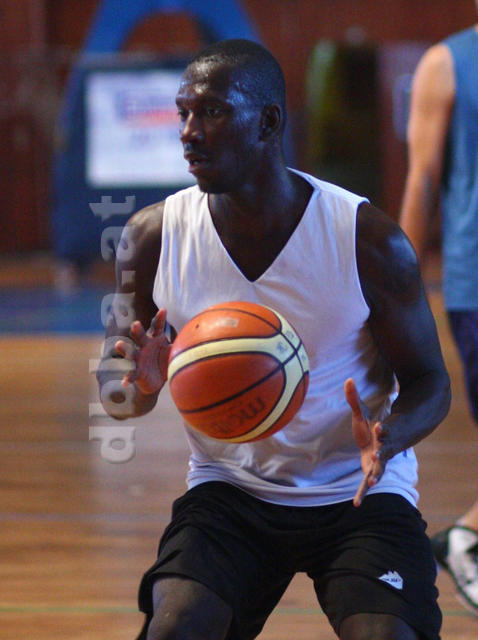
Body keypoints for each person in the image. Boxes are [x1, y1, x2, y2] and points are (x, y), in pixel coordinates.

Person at [97, 39, 450, 640]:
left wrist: (389, 437)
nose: (188, 133)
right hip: (230, 489)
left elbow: (431, 382)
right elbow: (118, 398)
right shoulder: (151, 237)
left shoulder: (367, 240)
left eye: (211, 112)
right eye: (183, 113)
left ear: (268, 122)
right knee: (176, 627)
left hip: (358, 491)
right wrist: (140, 386)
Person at [399, 9, 478, 617]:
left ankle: (466, 535)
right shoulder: (447, 64)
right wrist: (396, 286)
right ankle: (467, 536)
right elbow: (422, 180)